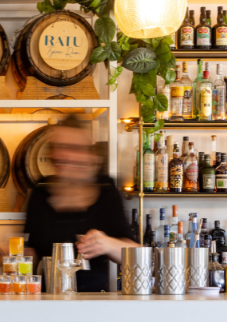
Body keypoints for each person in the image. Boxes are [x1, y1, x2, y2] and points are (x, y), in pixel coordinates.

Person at [22, 115, 139, 292]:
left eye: (70, 148)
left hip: (93, 303)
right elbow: (31, 252)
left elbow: (136, 255)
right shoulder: (41, 190)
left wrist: (106, 243)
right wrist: (17, 257)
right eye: (57, 147)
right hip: (47, 301)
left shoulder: (105, 189)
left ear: (87, 154)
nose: (61, 154)